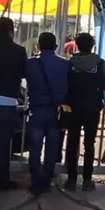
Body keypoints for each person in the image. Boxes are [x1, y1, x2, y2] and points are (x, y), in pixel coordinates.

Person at [0, 17, 28, 192]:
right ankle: (2, 182)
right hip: (7, 102)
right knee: (3, 146)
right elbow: (24, 73)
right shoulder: (19, 51)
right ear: (11, 31)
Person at [65, 33, 105, 192]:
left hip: (73, 108)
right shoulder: (101, 64)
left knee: (72, 142)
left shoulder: (69, 64)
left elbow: (64, 85)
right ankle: (87, 180)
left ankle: (71, 180)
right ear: (92, 46)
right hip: (92, 108)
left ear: (77, 45)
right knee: (89, 143)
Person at [24, 32, 69, 195]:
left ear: (38, 46)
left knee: (35, 147)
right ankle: (47, 179)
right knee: (51, 147)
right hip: (55, 111)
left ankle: (35, 179)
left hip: (37, 109)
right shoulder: (64, 65)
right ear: (55, 46)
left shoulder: (30, 64)